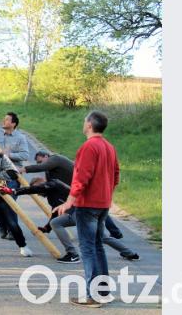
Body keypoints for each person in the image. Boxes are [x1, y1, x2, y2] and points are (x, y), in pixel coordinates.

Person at [55, 111, 121, 307]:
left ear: (90, 125)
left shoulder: (89, 147)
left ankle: (92, 295)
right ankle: (103, 291)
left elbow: (81, 177)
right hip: (103, 204)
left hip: (88, 205)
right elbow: (116, 174)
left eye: (85, 121)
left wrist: (69, 201)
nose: (83, 124)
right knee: (98, 246)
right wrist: (107, 193)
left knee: (88, 249)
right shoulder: (109, 147)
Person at [25, 150, 124, 240]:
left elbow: (42, 167)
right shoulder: (49, 171)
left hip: (85, 186)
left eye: (40, 161)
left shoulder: (55, 159)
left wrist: (24, 169)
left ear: (46, 156)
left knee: (96, 209)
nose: (39, 164)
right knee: (95, 209)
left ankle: (113, 233)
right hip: (76, 189)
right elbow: (55, 203)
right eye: (37, 162)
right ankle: (113, 232)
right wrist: (47, 227)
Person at [0, 112, 30, 240]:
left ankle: (13, 230)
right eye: (4, 118)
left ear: (13, 123)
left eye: (7, 120)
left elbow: (25, 155)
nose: (4, 121)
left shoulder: (20, 138)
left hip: (11, 175)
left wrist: (8, 155)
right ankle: (2, 227)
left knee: (9, 203)